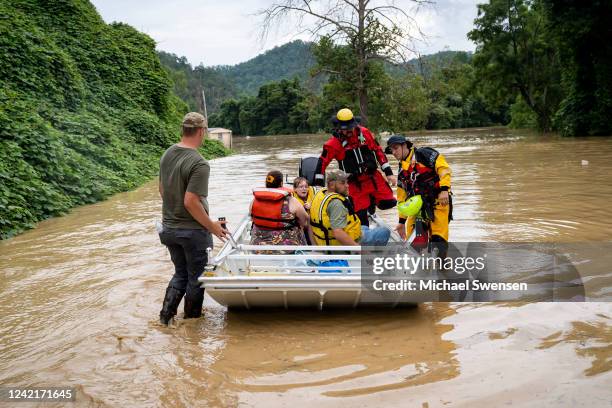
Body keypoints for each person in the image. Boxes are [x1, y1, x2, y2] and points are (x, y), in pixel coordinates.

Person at [158, 112, 228, 326]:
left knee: (180, 274)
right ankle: (192, 325)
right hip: (192, 232)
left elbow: (162, 190)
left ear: (183, 129)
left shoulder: (168, 153)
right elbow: (190, 201)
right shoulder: (199, 163)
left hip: (169, 229)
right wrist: (213, 227)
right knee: (196, 279)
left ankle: (165, 319)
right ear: (201, 131)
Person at [312, 108, 397, 226]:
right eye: (345, 130)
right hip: (354, 184)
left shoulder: (365, 133)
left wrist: (389, 173)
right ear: (338, 129)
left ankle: (371, 202)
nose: (348, 131)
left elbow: (378, 151)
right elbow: (322, 163)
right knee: (361, 218)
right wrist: (318, 187)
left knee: (389, 203)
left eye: (350, 128)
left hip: (373, 178)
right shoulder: (332, 144)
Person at [385, 135, 452, 257]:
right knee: (415, 246)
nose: (393, 152)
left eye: (396, 148)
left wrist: (444, 189)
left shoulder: (424, 154)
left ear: (405, 145)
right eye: (391, 150)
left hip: (438, 203)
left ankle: (442, 268)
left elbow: (444, 169)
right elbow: (402, 198)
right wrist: (401, 222)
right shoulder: (401, 172)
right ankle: (421, 270)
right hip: (418, 210)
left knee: (438, 242)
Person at [310, 169, 390, 246]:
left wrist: (314, 245)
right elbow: (338, 232)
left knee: (364, 227)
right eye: (342, 183)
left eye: (347, 182)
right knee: (384, 231)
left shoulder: (321, 194)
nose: (347, 185)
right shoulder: (336, 203)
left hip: (326, 240)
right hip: (342, 246)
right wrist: (358, 249)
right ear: (331, 185)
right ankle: (371, 255)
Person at [250, 170, 313, 248]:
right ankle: (314, 247)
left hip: (257, 247)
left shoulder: (254, 201)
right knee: (309, 219)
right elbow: (304, 222)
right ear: (281, 183)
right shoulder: (291, 201)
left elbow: (252, 218)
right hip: (286, 249)